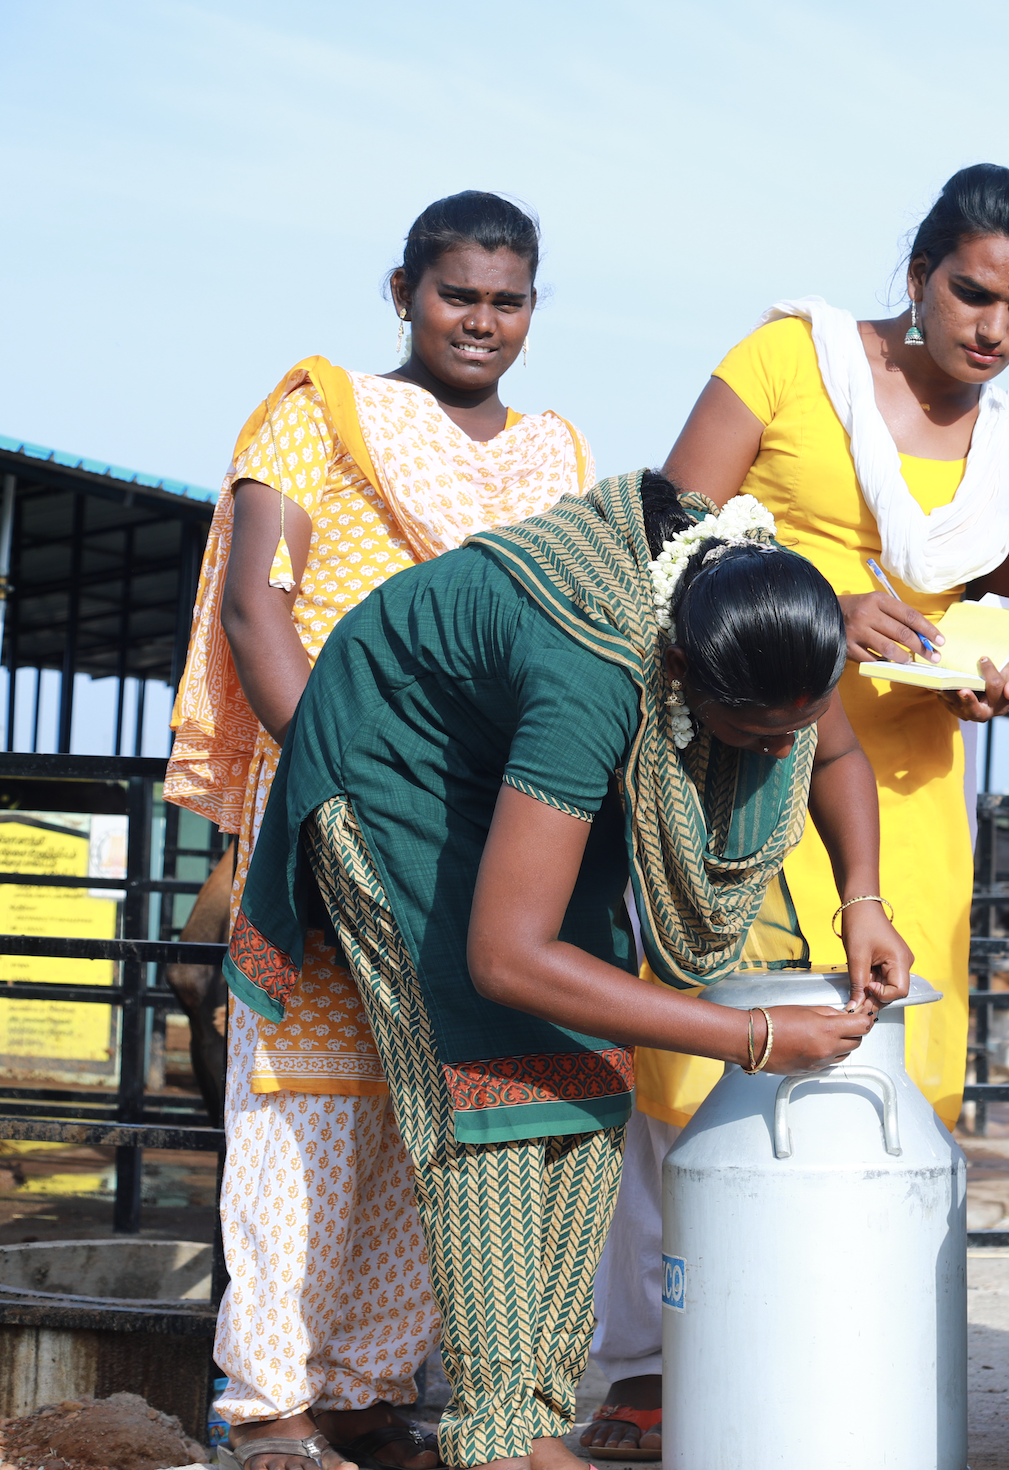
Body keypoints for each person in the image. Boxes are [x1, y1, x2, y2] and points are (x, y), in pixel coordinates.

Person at [220, 468, 910, 1470]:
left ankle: (532, 1414)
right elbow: (506, 960)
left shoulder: (766, 621)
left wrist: (864, 901)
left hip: (506, 750)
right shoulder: (593, 673)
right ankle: (491, 1432)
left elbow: (835, 757)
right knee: (488, 1067)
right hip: (398, 761)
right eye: (753, 738)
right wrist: (751, 1039)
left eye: (787, 731)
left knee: (592, 1056)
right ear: (680, 672)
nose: (775, 757)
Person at [581, 162, 1009, 1459]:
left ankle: (834, 1361)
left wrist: (985, 671)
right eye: (971, 292)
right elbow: (660, 529)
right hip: (742, 755)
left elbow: (986, 603)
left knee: (880, 1073)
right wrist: (813, 594)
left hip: (904, 790)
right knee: (692, 1059)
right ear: (916, 272)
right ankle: (645, 1372)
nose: (991, 328)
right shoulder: (789, 358)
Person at [166, 191, 595, 1470]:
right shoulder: (319, 415)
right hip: (334, 807)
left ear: (534, 307)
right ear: (403, 291)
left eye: (507, 299)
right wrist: (351, 783)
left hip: (478, 829)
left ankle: (367, 1392)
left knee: (432, 1110)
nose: (482, 320)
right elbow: (259, 609)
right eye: (457, 294)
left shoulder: (556, 457)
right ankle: (274, 1406)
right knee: (304, 1105)